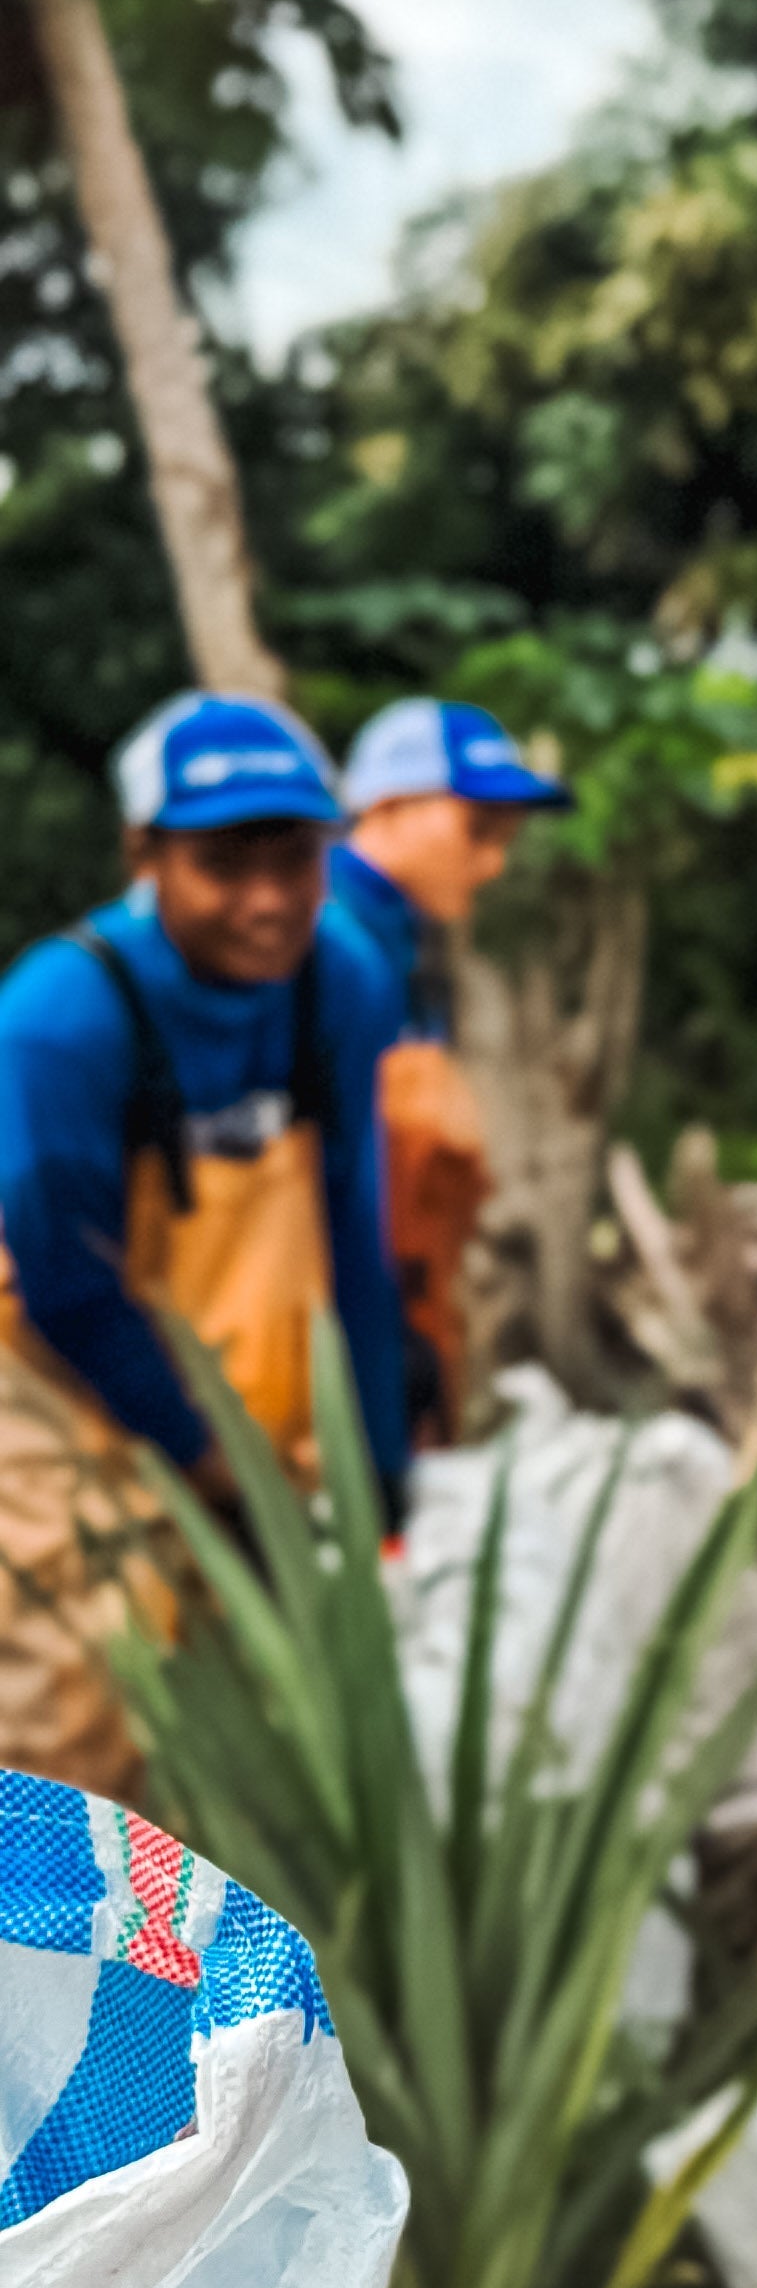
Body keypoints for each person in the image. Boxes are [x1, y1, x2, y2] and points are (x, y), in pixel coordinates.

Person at [0, 690, 410, 1781]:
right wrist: (214, 1467)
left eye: (297, 862)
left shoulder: (340, 983)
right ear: (146, 854)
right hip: (56, 1390)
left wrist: (375, 1459)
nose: (270, 902)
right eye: (225, 867)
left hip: (232, 1391)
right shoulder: (63, 1017)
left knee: (260, 1733)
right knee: (86, 1701)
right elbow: (64, 1282)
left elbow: (351, 1224)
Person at [329, 691, 574, 1443]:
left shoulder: (410, 946)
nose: (493, 862)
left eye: (506, 837)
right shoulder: (321, 943)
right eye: (477, 829)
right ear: (389, 807)